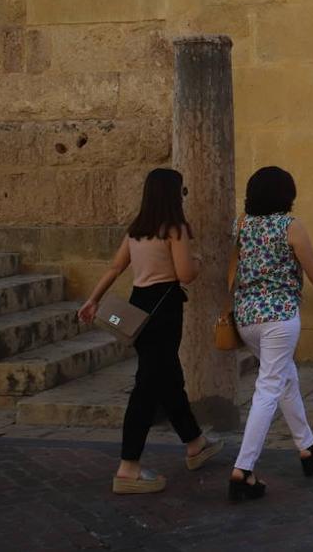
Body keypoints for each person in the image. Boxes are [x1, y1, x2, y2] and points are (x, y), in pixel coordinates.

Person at [78, 167, 223, 495]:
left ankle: (195, 442)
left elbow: (116, 267)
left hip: (138, 306)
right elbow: (186, 274)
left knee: (168, 379)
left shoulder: (137, 230)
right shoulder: (175, 228)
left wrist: (93, 299)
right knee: (147, 385)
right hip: (164, 307)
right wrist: (198, 258)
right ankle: (128, 467)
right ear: (173, 195)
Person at [228, 166, 313, 503]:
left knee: (285, 378)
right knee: (269, 386)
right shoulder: (291, 227)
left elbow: (235, 267)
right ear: (287, 194)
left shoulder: (240, 224)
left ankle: (308, 446)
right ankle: (243, 468)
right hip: (280, 318)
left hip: (246, 318)